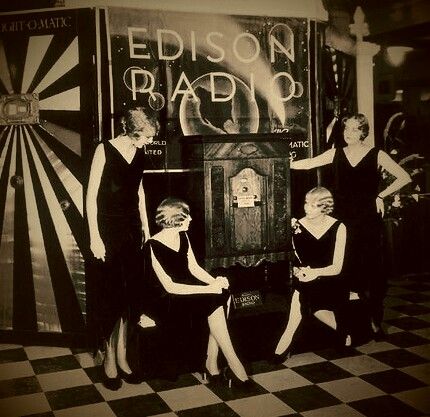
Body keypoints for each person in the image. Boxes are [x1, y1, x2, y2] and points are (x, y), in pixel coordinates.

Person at [291, 113, 411, 339]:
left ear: (363, 132)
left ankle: (375, 321)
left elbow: (404, 177)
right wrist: (280, 161)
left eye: (355, 129)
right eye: (346, 129)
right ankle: (348, 327)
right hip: (342, 220)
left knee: (371, 272)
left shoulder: (377, 154)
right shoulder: (335, 153)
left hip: (367, 221)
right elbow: (309, 163)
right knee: (345, 272)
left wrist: (381, 196)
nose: (349, 133)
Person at [140, 198, 250, 387]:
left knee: (220, 295)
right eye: (187, 216)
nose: (191, 219)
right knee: (213, 299)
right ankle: (230, 365)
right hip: (164, 299)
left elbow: (194, 268)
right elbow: (169, 286)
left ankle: (214, 362)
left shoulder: (183, 236)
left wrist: (215, 281)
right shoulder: (151, 246)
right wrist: (208, 288)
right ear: (176, 219)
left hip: (186, 290)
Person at [86, 107, 159, 390]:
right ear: (131, 131)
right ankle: (108, 360)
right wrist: (94, 237)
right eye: (146, 137)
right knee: (110, 297)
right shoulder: (104, 150)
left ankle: (122, 356)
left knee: (130, 296)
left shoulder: (139, 152)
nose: (149, 142)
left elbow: (139, 192)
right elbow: (91, 197)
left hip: (131, 231)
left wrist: (146, 229)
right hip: (107, 231)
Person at [273, 187, 348, 363]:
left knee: (310, 301)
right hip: (306, 279)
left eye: (313, 205)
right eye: (306, 203)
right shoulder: (297, 225)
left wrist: (315, 273)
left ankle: (344, 331)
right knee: (301, 296)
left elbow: (337, 267)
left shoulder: (339, 227)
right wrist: (297, 270)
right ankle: (283, 345)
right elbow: (294, 258)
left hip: (331, 279)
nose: (307, 208)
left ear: (325, 207)